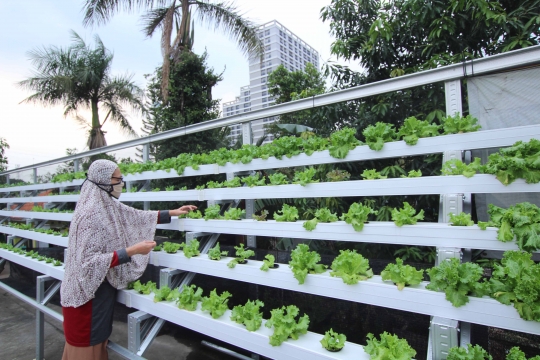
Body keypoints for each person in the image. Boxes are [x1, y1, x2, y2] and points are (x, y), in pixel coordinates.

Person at [60, 159, 197, 360]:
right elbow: (88, 264)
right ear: (103, 180)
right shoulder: (90, 215)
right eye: (118, 179)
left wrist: (173, 213)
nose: (121, 183)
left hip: (97, 296)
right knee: (87, 351)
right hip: (86, 301)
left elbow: (135, 217)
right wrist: (132, 251)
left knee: (97, 347)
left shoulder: (104, 204)